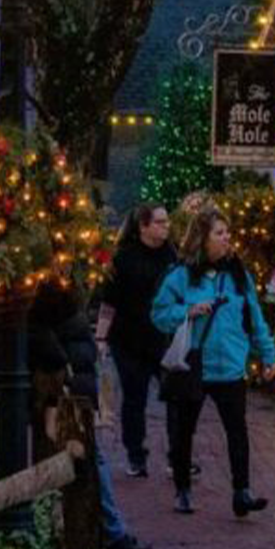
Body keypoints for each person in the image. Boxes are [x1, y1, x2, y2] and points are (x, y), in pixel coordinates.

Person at [151, 204, 275, 517]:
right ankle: (183, 488)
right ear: (202, 238)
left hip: (231, 365)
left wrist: (268, 354)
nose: (226, 239)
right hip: (196, 364)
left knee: (237, 430)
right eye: (219, 233)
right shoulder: (181, 277)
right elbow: (158, 314)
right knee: (185, 430)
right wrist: (186, 312)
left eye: (227, 233)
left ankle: (241, 492)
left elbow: (255, 316)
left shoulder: (238, 275)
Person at [31, 298, 152, 549]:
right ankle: (108, 531)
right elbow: (42, 335)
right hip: (69, 386)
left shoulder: (61, 291)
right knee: (87, 459)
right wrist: (65, 368)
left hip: (75, 384)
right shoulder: (51, 293)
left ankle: (99, 529)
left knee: (85, 458)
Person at [94, 202, 176, 477]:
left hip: (163, 339)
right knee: (134, 397)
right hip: (128, 340)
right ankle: (135, 455)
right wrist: (101, 337)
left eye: (167, 222)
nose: (166, 227)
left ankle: (178, 454)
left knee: (176, 395)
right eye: (160, 222)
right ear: (143, 226)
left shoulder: (171, 256)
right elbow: (109, 301)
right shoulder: (124, 258)